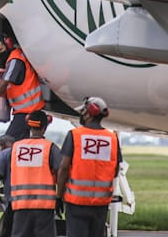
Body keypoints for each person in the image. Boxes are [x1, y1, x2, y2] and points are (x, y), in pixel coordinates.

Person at [56, 97, 122, 237]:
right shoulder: (113, 138)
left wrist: (59, 196)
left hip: (76, 203)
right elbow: (115, 171)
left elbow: (64, 168)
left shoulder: (75, 135)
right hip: (101, 204)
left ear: (88, 113)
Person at [0, 31, 45, 141]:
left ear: (8, 44)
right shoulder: (15, 57)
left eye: (1, 50)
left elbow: (4, 83)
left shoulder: (15, 60)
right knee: (21, 146)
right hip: (28, 111)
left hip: (27, 112)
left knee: (6, 143)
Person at [8, 110, 61, 237]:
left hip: (20, 205)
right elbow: (61, 172)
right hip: (45, 206)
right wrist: (60, 196)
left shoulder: (16, 148)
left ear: (29, 126)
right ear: (45, 127)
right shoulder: (51, 148)